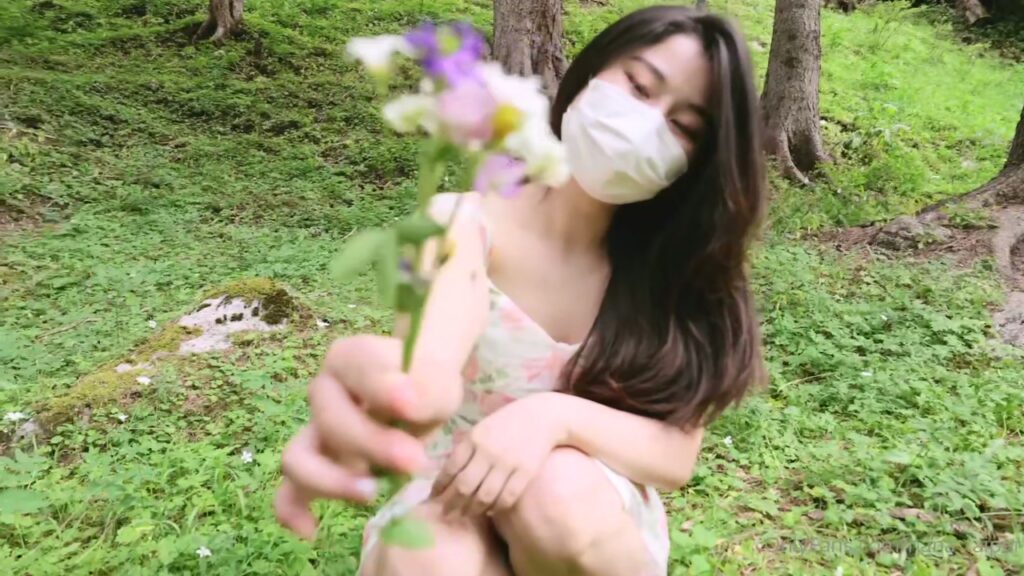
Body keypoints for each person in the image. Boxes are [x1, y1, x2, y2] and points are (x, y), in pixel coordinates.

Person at [274, 5, 767, 575]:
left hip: (586, 515)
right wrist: (399, 393)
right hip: (454, 488)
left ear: (697, 163)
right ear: (589, 73)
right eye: (638, 86)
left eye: (683, 126)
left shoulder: (676, 273)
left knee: (557, 492)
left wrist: (552, 418)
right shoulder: (462, 225)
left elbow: (675, 456)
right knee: (428, 555)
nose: (644, 124)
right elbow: (431, 367)